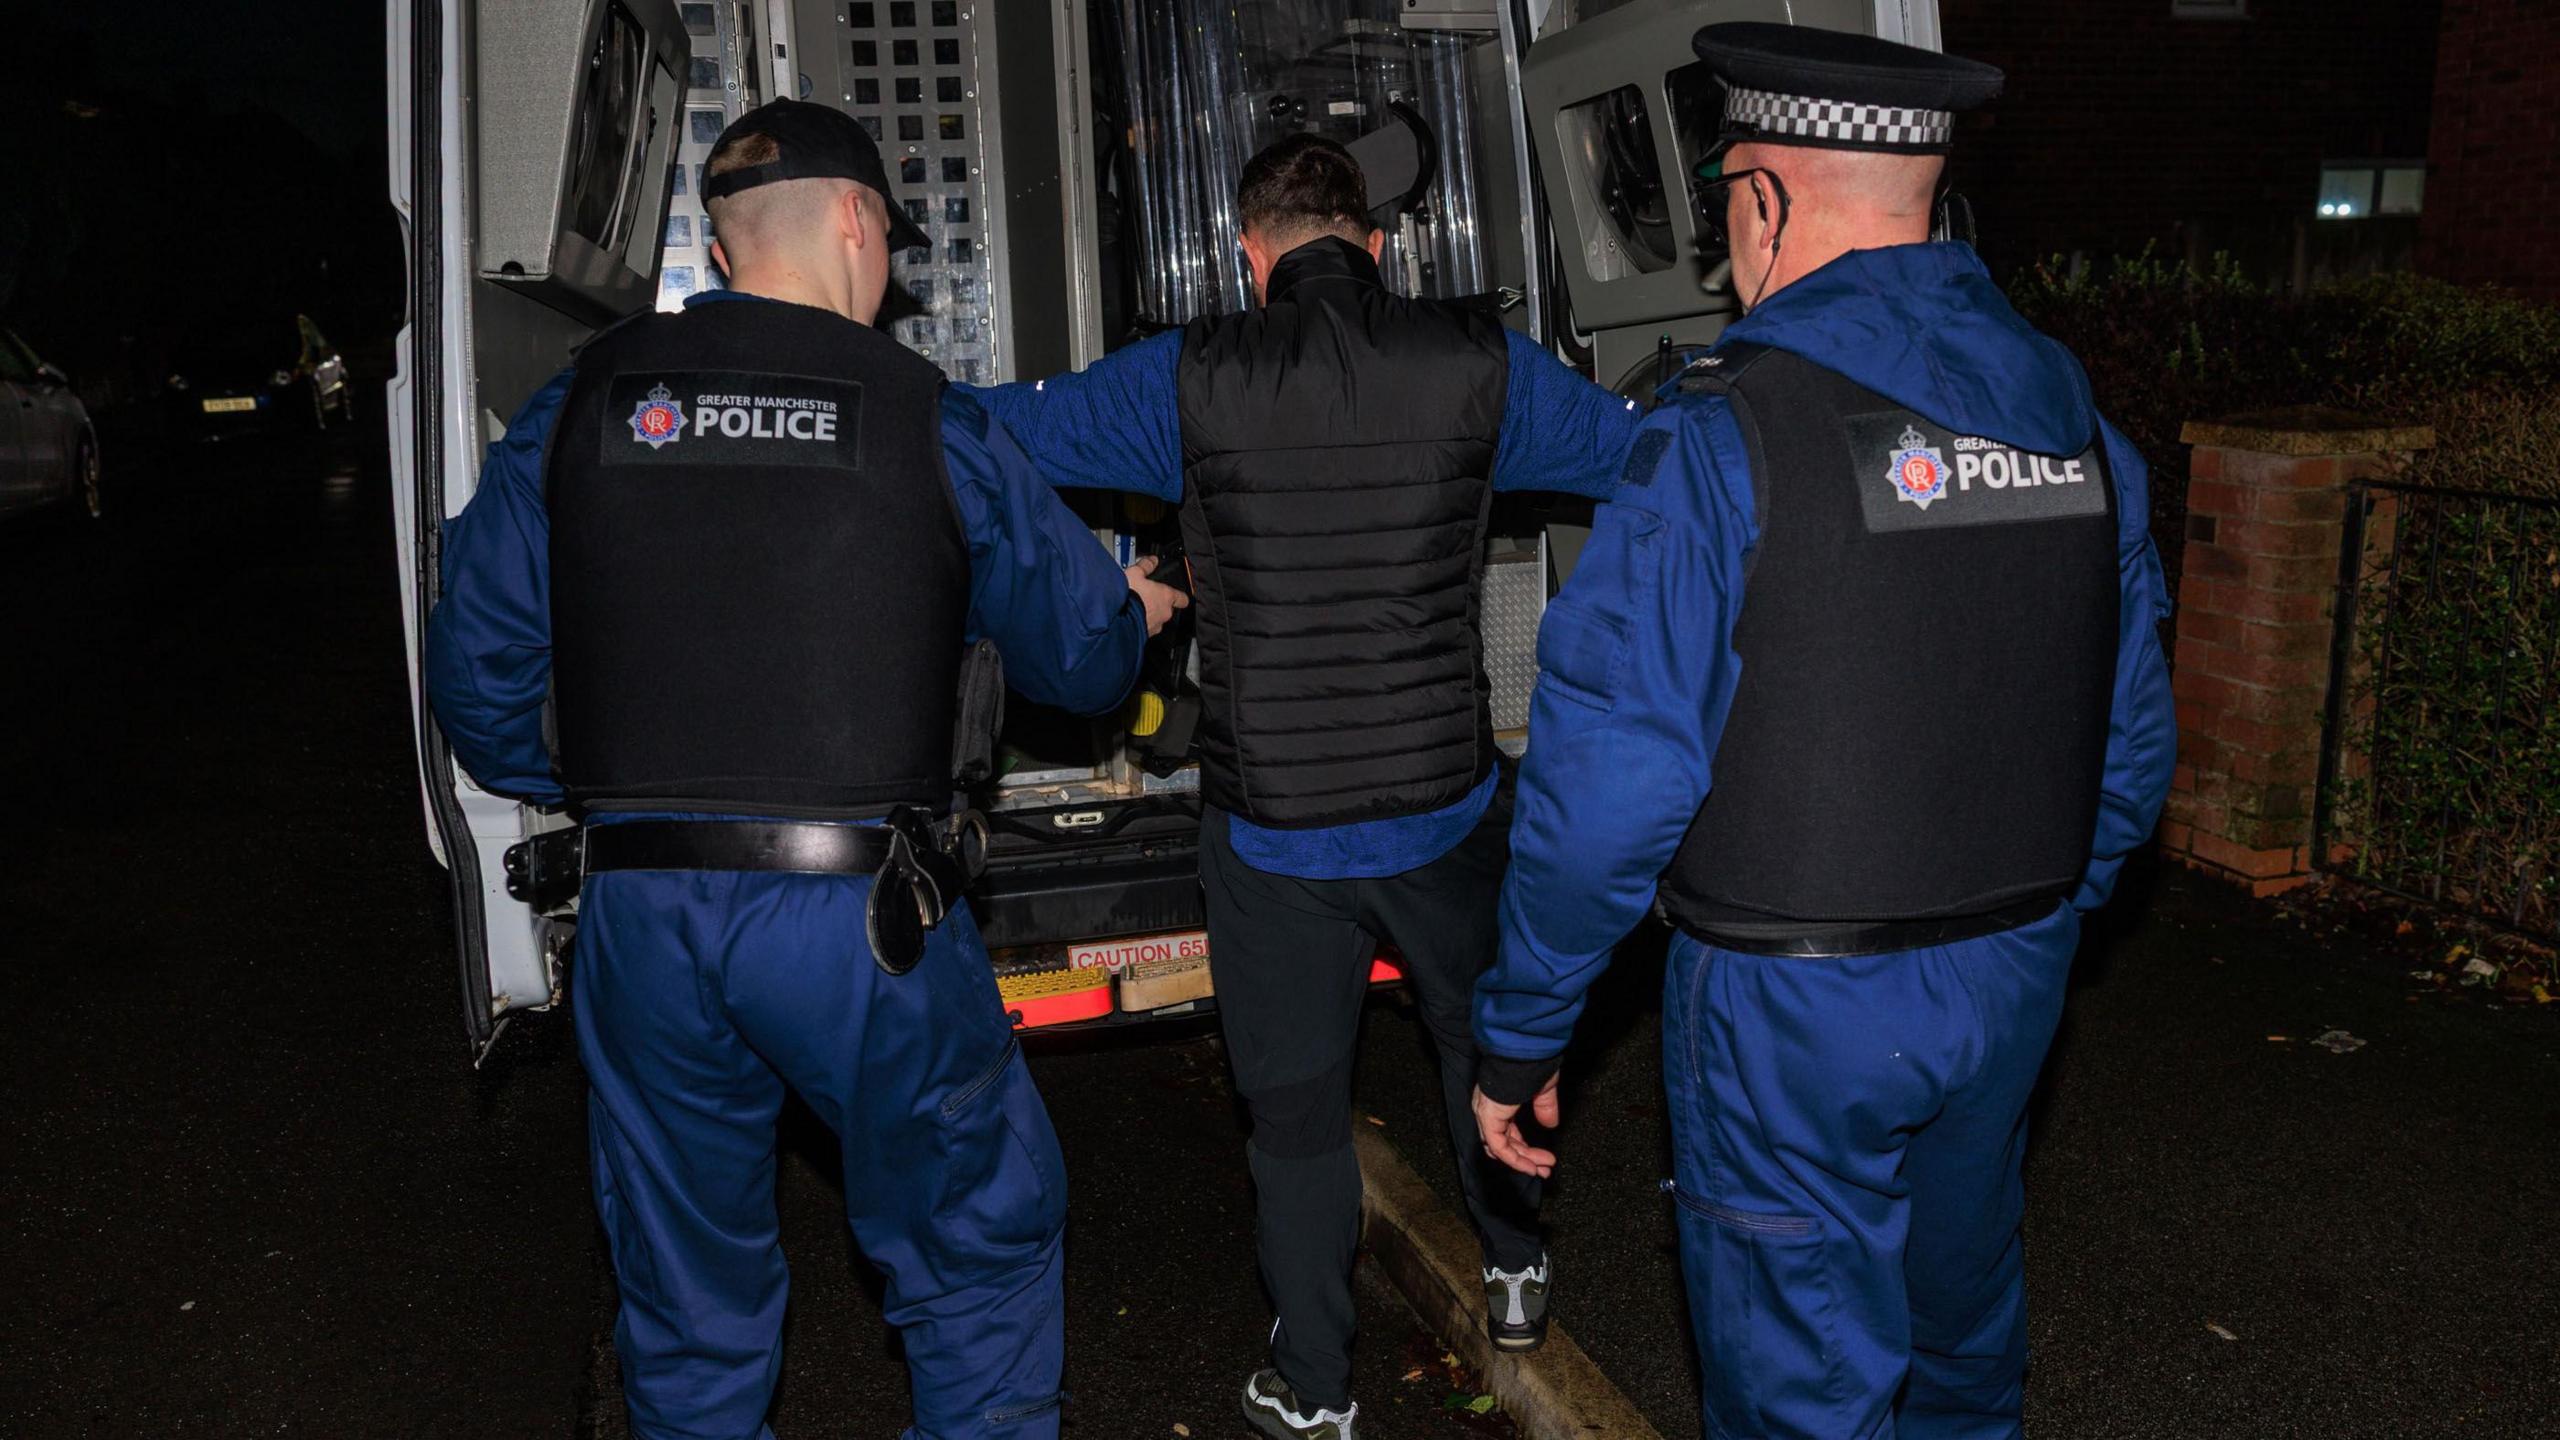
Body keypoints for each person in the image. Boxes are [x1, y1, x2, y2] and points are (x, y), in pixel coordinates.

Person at [423, 99, 1185, 1440]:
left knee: (688, 1296)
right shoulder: (926, 418)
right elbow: (1081, 661)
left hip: (643, 915)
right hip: (860, 925)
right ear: (854, 219)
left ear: (724, 248)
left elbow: (478, 674)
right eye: (888, 231)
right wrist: (1132, 611)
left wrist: (615, 775)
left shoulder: (583, 406)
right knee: (975, 1247)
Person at [1470, 23, 2176, 1440]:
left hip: (1795, 1007)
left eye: (1730, 196)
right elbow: (2133, 744)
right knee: (1963, 1350)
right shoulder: (2083, 430)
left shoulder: (1722, 440)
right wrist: (2029, 920)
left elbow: (1610, 793)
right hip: (2012, 977)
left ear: (1771, 198)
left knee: (1804, 1390)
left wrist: (1521, 1035)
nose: (1728, 243)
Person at [967, 134, 1639, 1439]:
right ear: (1376, 241)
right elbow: (1650, 463)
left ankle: (1318, 1390)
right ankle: (1513, 1268)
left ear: (1248, 250)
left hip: (1274, 829)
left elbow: (1002, 434)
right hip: (1443, 806)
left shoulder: (1188, 378)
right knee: (1473, 1041)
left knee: (1295, 1115)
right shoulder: (1481, 364)